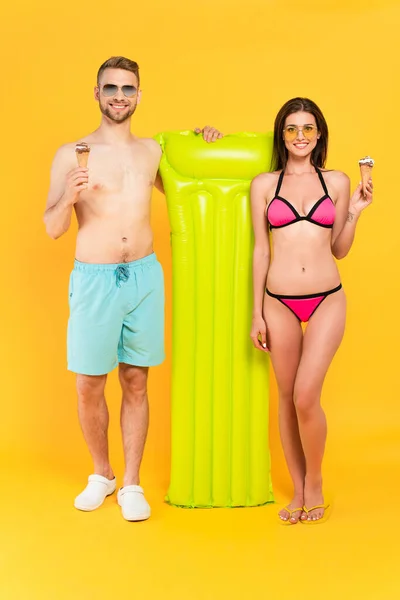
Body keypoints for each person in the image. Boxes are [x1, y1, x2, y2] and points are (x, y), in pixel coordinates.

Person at [43, 56, 222, 522]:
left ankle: (132, 483)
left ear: (139, 96)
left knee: (136, 380)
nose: (119, 96)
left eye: (128, 89)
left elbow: (193, 182)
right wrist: (69, 195)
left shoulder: (152, 152)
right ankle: (102, 474)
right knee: (89, 385)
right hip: (94, 279)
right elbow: (52, 227)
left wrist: (205, 142)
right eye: (111, 88)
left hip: (143, 276)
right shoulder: (71, 153)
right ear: (97, 94)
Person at [250, 97, 373, 525]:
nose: (300, 136)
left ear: (319, 134)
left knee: (306, 395)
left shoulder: (336, 182)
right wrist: (255, 313)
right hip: (277, 301)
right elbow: (260, 250)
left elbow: (339, 247)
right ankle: (298, 489)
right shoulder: (264, 185)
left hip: (326, 297)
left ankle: (315, 481)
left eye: (307, 128)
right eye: (291, 129)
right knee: (285, 398)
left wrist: (354, 212)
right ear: (281, 135)